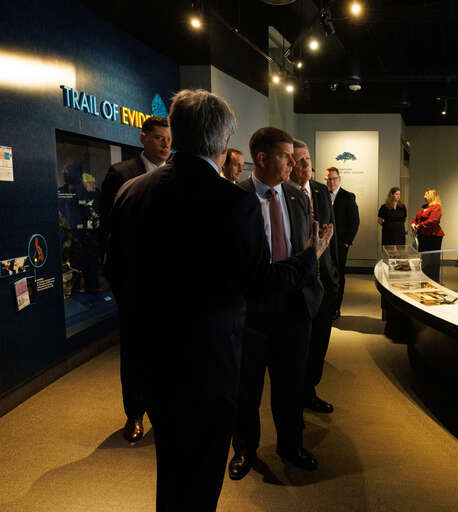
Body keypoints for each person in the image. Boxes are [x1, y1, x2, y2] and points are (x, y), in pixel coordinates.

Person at [108, 90, 331, 510]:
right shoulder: (234, 202)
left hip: (153, 363)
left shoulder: (131, 193)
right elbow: (258, 283)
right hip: (209, 368)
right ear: (225, 141)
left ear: (177, 131)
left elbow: (115, 275)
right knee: (200, 481)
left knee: (171, 470)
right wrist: (309, 258)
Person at [229, 129, 327, 479]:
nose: (293, 164)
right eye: (286, 157)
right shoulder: (235, 199)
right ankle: (244, 449)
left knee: (291, 386)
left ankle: (291, 446)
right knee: (247, 389)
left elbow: (306, 249)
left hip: (294, 309)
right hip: (252, 313)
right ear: (263, 158)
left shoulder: (298, 198)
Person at [99, 115, 170, 444]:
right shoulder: (121, 174)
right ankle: (135, 413)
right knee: (135, 350)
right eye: (158, 138)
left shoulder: (178, 174)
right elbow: (108, 230)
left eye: (169, 139)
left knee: (168, 350)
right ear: (143, 138)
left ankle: (165, 410)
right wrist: (118, 278)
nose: (165, 144)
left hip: (171, 283)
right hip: (135, 281)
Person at [290, 139, 340, 415]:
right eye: (299, 161)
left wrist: (335, 276)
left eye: (308, 159)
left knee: (319, 344)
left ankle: (309, 391)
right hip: (298, 284)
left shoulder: (320, 191)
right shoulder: (284, 193)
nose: (305, 165)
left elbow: (333, 237)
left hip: (325, 283)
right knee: (298, 349)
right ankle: (294, 399)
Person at [326, 166, 359, 318]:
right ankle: (326, 306)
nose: (331, 182)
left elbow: (355, 222)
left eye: (333, 179)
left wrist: (346, 242)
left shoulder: (348, 196)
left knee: (338, 275)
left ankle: (336, 308)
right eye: (328, 179)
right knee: (325, 275)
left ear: (339, 179)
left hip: (340, 244)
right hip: (324, 244)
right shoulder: (322, 195)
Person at [411, 188, 444, 282]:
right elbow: (417, 218)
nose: (424, 196)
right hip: (423, 235)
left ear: (431, 196)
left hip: (433, 236)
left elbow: (433, 220)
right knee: (423, 259)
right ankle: (423, 278)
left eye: (426, 195)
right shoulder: (424, 207)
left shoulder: (436, 207)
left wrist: (419, 225)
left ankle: (432, 280)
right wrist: (413, 223)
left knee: (432, 259)